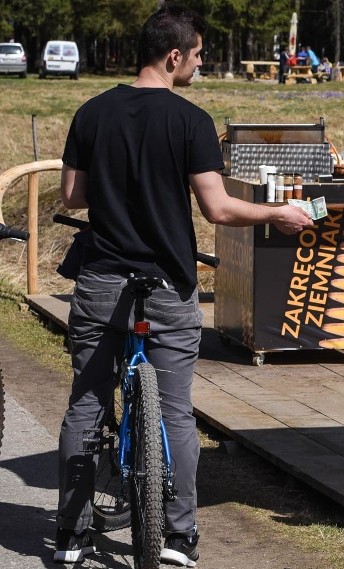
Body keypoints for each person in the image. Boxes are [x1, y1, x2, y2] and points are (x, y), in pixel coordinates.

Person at [54, 4, 313, 565]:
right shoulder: (191, 121)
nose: (199, 64)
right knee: (174, 411)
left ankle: (71, 539)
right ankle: (178, 539)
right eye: (197, 54)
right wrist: (276, 214)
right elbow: (217, 209)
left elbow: (71, 197)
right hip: (167, 284)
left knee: (86, 407)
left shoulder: (91, 112)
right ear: (174, 56)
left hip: (101, 280)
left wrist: (119, 190)